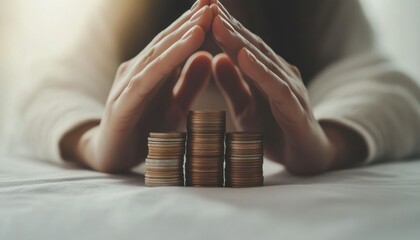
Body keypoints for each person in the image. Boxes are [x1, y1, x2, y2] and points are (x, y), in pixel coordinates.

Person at [11, 0, 420, 175]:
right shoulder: (123, 10)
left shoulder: (319, 7)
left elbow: (390, 86)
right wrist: (93, 142)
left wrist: (328, 142)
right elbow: (44, 88)